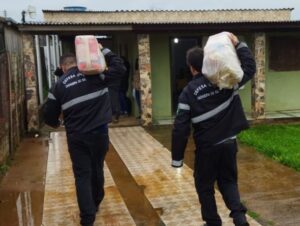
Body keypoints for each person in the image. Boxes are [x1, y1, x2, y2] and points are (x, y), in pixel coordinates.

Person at [171, 33, 256, 226]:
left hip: (207, 149)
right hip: (228, 144)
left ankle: (212, 222)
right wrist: (239, 44)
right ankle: (240, 218)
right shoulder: (225, 80)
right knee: (228, 182)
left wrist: (177, 160)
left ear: (191, 68)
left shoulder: (188, 92)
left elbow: (180, 128)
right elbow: (250, 68)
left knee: (205, 186)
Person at [42, 45, 125, 226]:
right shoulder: (95, 74)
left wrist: (58, 124)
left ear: (63, 67)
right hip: (100, 133)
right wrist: (103, 50)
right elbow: (120, 68)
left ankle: (87, 219)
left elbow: (48, 117)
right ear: (78, 63)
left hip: (77, 138)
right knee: (97, 167)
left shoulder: (59, 86)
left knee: (82, 175)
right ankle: (96, 201)